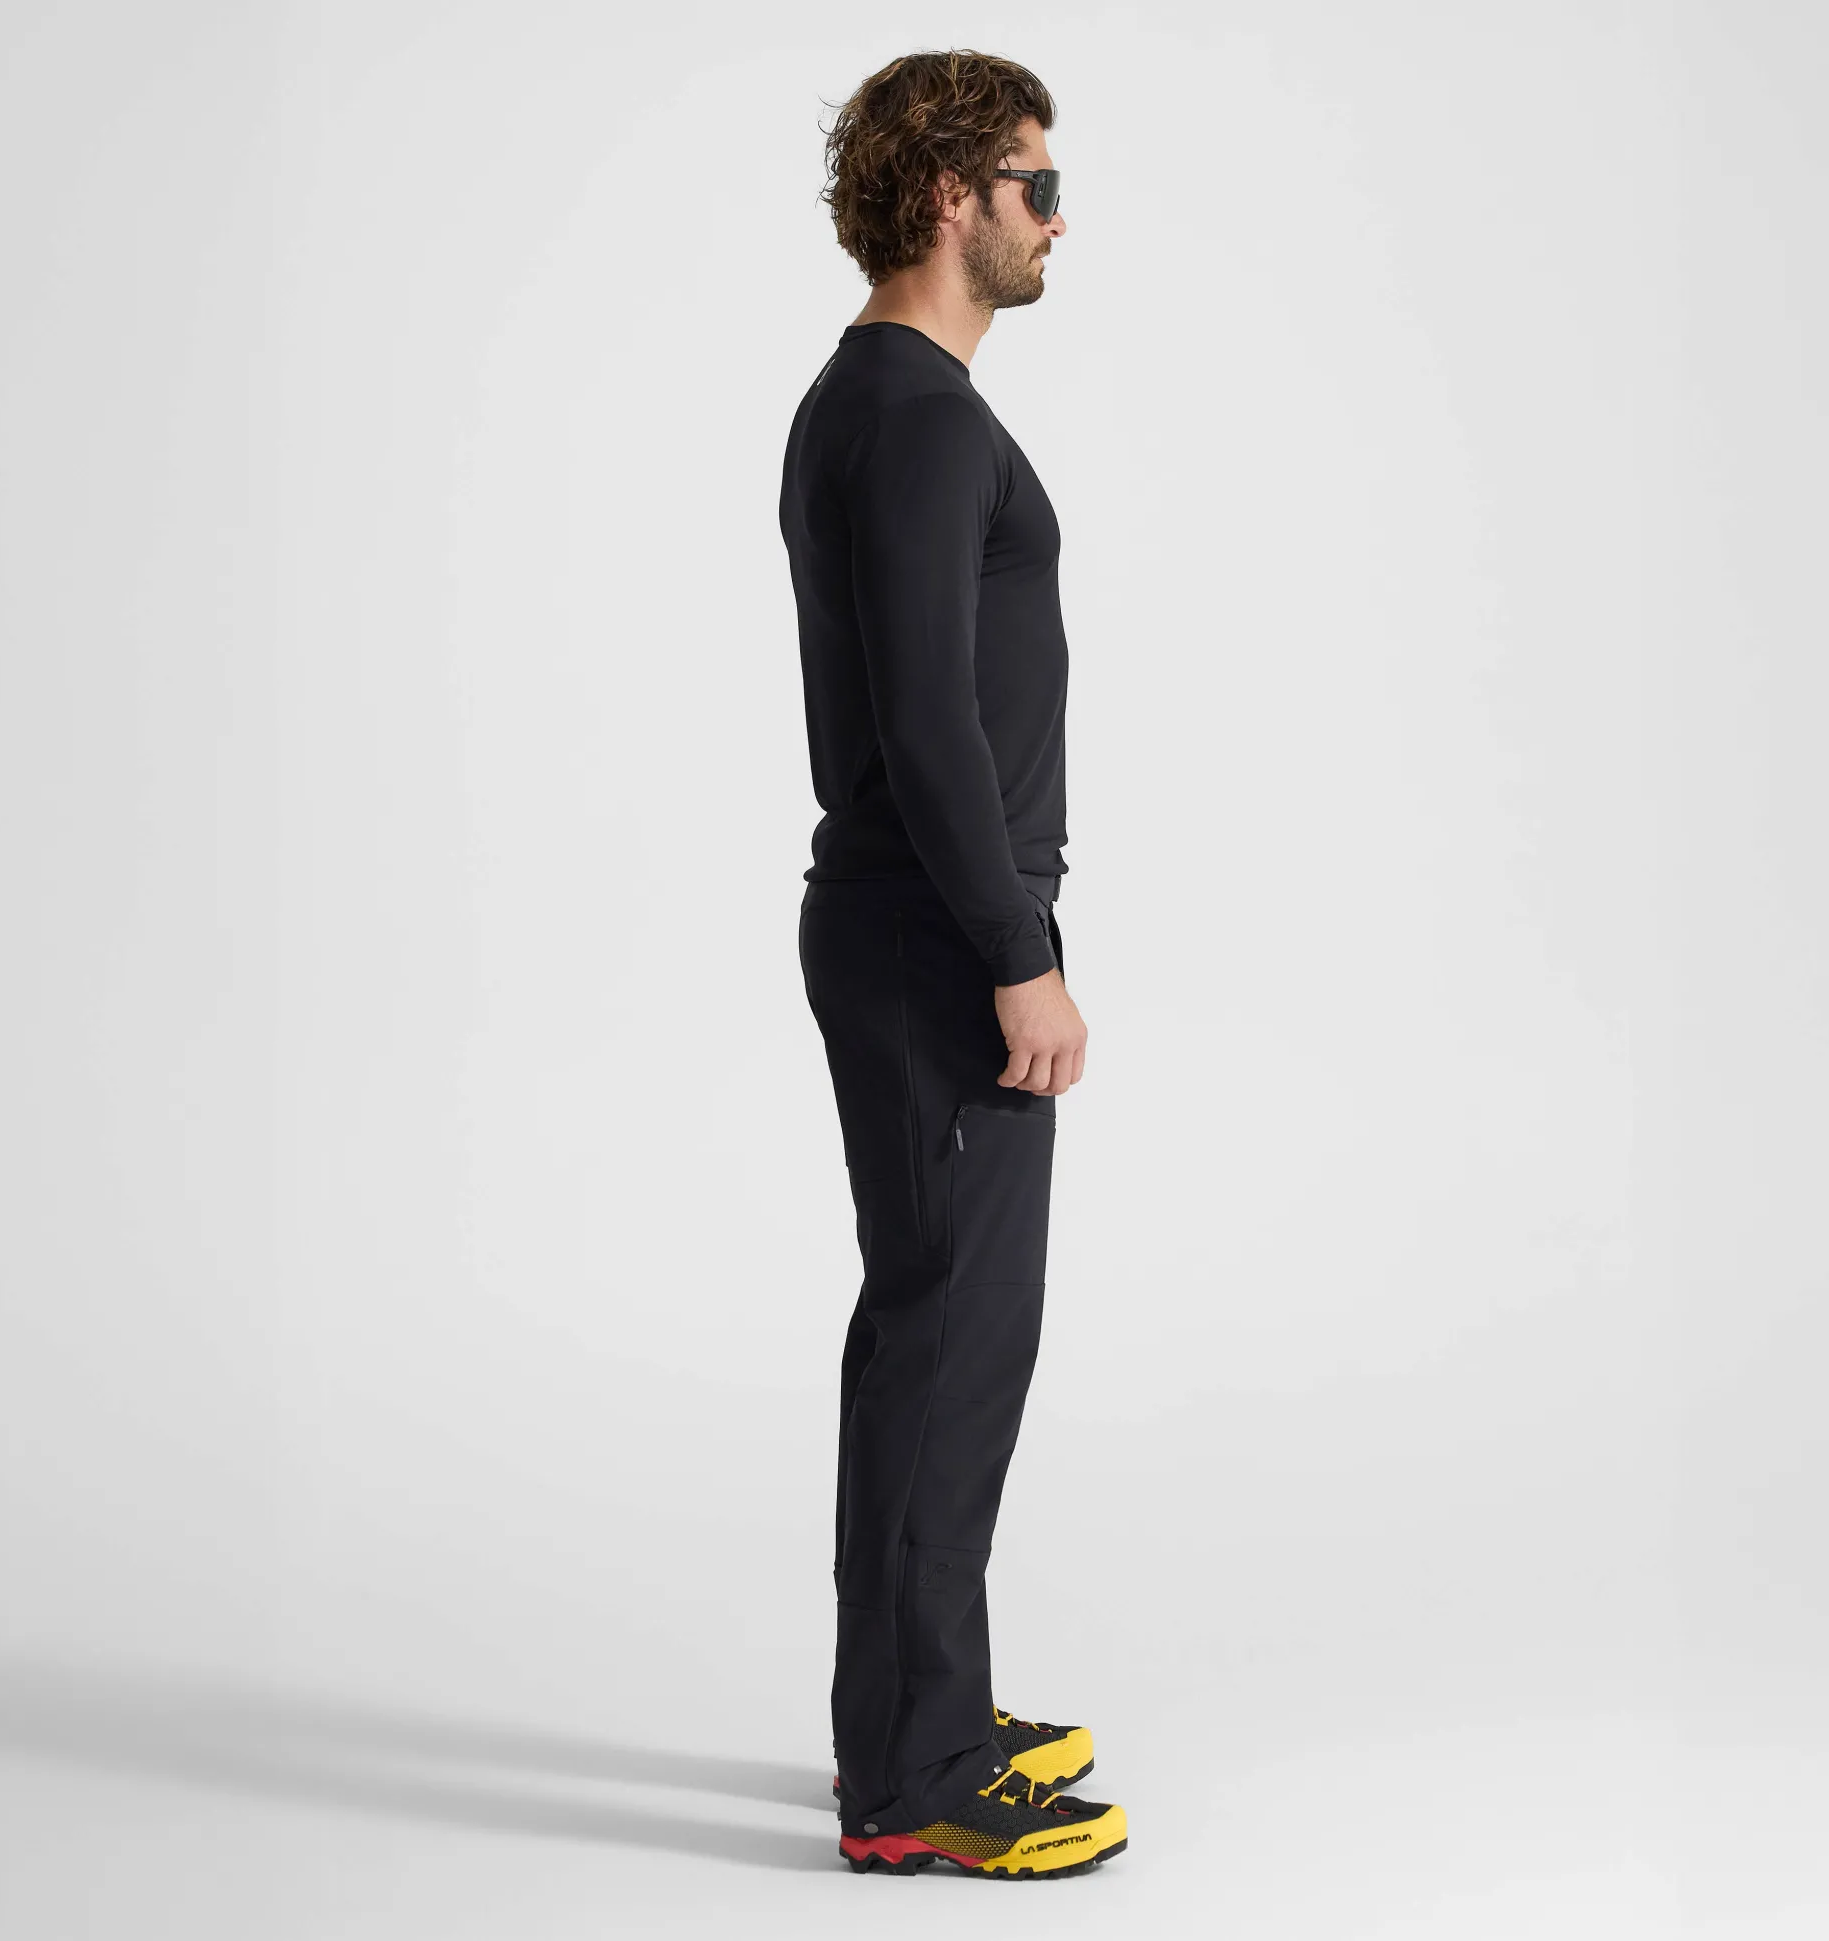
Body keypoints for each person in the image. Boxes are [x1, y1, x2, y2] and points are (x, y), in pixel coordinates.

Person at [778, 49, 1129, 1880]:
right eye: (1035, 186)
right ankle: (913, 1782)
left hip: (915, 925)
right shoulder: (913, 417)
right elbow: (926, 721)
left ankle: (915, 1721)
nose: (1059, 219)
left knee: (928, 1331)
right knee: (953, 1342)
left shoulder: (880, 400)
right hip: (939, 938)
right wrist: (1018, 951)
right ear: (947, 196)